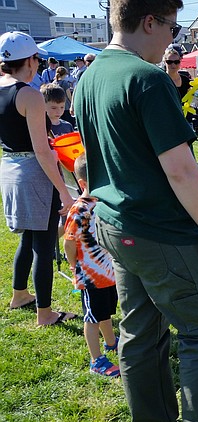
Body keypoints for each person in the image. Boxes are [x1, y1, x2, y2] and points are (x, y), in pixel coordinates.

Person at [72, 1, 198, 422]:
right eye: (171, 27)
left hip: (116, 225)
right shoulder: (147, 78)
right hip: (159, 231)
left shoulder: (90, 76)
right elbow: (181, 170)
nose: (172, 39)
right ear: (149, 21)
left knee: (139, 334)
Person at [1, 31, 77, 324]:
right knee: (43, 245)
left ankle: (20, 294)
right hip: (33, 171)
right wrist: (65, 192)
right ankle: (45, 313)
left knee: (28, 238)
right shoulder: (29, 94)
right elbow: (43, 150)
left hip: (9, 168)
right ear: (31, 61)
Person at [63, 153, 120, 378]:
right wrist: (73, 264)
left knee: (105, 312)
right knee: (93, 317)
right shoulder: (79, 210)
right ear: (83, 184)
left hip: (110, 272)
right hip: (90, 276)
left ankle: (111, 342)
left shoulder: (105, 203)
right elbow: (69, 243)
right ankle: (97, 360)